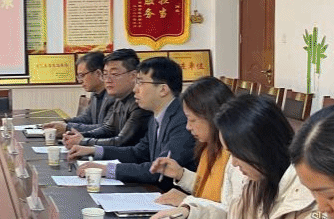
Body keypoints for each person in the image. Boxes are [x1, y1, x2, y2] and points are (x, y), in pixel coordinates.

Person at [147, 94, 333, 219]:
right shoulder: (259, 178)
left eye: (237, 155)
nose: (234, 164)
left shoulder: (310, 191)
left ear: (260, 147)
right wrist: (191, 214)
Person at [71, 57, 195, 186]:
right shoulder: (157, 114)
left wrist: (108, 170)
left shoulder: (183, 120)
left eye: (140, 83)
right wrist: (93, 150)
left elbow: (162, 169)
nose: (135, 89)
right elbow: (138, 153)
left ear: (163, 89)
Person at [149, 76, 234, 207]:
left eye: (192, 120)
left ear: (212, 117)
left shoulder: (235, 158)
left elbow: (230, 211)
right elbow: (207, 188)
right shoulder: (209, 147)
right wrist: (180, 174)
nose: (188, 127)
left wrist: (187, 201)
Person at [61, 48, 150, 148]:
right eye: (105, 74)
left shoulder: (140, 103)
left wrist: (83, 141)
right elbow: (108, 129)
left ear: (133, 76)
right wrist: (77, 136)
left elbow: (121, 141)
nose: (107, 80)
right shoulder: (120, 98)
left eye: (114, 74)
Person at [44, 51, 105, 134]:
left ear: (98, 73)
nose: (80, 81)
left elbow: (106, 129)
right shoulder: (95, 93)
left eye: (82, 75)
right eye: (78, 76)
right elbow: (87, 118)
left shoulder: (114, 96)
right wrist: (64, 122)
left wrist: (67, 127)